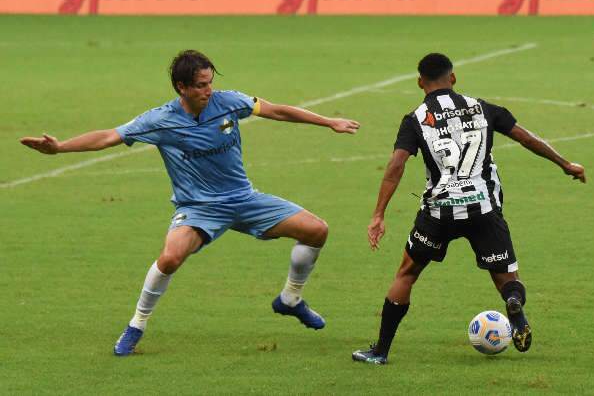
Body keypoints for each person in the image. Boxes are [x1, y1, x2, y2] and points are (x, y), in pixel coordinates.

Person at [21, 49, 360, 356]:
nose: (208, 90)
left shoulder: (229, 103)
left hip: (243, 198)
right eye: (200, 85)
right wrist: (60, 147)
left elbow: (277, 111)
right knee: (170, 258)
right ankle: (137, 324)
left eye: (210, 83)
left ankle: (290, 299)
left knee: (317, 230)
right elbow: (109, 136)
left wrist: (329, 121)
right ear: (181, 87)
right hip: (199, 208)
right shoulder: (160, 120)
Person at [352, 53, 585, 365]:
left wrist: (379, 213)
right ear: (454, 78)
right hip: (483, 206)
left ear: (420, 82)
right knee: (506, 276)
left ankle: (380, 351)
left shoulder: (416, 119)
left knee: (407, 272)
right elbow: (527, 138)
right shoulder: (483, 108)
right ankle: (514, 303)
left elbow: (396, 165)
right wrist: (565, 163)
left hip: (438, 212)